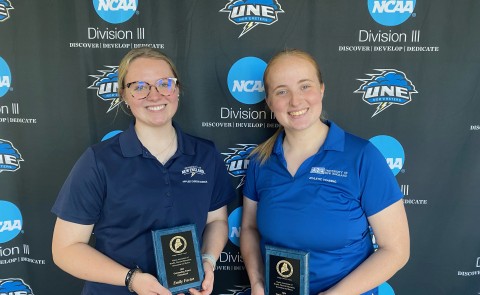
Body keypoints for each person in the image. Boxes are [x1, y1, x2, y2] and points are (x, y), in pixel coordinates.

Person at [51, 47, 235, 295]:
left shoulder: (205, 154)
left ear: (177, 89)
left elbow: (217, 220)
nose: (154, 95)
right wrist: (131, 279)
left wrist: (208, 261)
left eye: (164, 83)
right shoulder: (98, 161)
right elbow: (66, 249)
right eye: (139, 86)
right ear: (124, 95)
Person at [240, 49, 410, 295]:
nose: (295, 101)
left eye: (305, 86)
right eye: (281, 91)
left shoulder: (362, 157)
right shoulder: (260, 161)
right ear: (269, 102)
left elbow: (396, 250)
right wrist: (257, 283)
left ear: (321, 89)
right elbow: (249, 229)